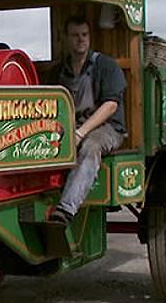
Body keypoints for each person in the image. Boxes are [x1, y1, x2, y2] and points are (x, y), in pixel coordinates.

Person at [48, 15, 127, 224]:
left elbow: (111, 105)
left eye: (84, 35)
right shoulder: (59, 70)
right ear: (65, 38)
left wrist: (80, 133)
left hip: (107, 128)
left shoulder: (106, 66)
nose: (80, 40)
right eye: (75, 35)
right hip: (70, 126)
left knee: (90, 146)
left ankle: (66, 210)